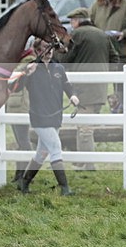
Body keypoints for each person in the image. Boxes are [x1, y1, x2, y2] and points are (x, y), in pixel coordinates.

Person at [12, 38, 79, 195]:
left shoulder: (59, 69)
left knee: (41, 153)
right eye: (45, 48)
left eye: (51, 48)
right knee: (56, 148)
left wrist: (73, 96)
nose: (49, 51)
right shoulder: (31, 69)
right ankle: (65, 188)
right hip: (39, 117)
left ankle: (24, 182)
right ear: (37, 50)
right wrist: (26, 73)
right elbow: (16, 88)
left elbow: (67, 86)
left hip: (56, 116)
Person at [59, 7, 118, 170]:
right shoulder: (102, 34)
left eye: (72, 21)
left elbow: (66, 58)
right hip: (100, 89)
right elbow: (115, 58)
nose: (71, 24)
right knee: (84, 124)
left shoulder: (77, 35)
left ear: (77, 20)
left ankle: (89, 164)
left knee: (85, 127)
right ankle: (81, 161)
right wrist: (106, 75)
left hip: (83, 89)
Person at [89, 0, 126, 109]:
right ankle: (97, 111)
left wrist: (124, 33)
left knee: (122, 87)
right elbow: (90, 22)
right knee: (98, 85)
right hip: (102, 54)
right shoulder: (96, 6)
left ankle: (123, 113)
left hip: (122, 53)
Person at [6, 46, 37, 185]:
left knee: (23, 141)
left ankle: (26, 174)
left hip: (21, 106)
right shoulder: (20, 60)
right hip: (15, 105)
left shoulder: (28, 61)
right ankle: (20, 174)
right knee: (21, 141)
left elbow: (12, 76)